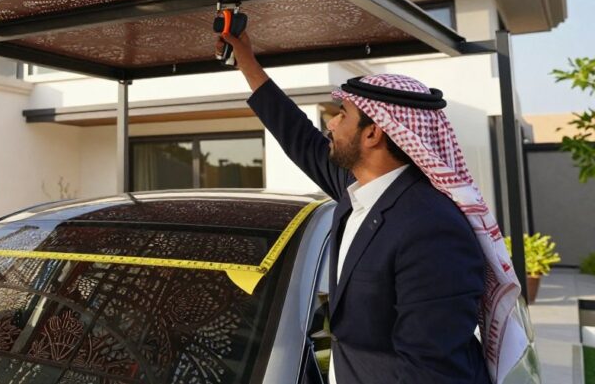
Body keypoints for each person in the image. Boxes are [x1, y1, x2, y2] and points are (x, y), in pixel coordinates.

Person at [219, 30, 527, 384]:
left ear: (373, 134)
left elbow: (430, 372)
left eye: (342, 115)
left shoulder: (431, 229)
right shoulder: (359, 191)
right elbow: (297, 136)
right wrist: (246, 60)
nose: (330, 124)